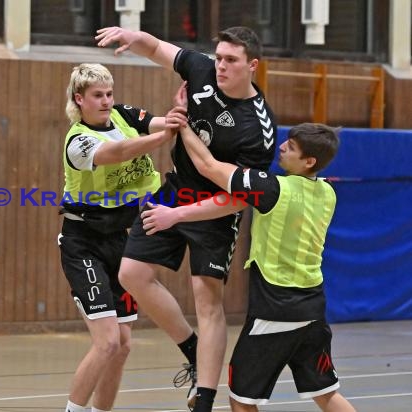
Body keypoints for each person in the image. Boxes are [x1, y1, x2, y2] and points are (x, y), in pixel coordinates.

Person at [96, 26, 277, 411]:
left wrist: (177, 215)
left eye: (231, 60)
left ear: (253, 66)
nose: (221, 66)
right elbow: (159, 48)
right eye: (219, 57)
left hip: (216, 206)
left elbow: (237, 199)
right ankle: (192, 349)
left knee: (206, 298)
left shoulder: (258, 129)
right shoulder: (201, 70)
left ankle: (206, 400)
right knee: (131, 273)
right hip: (177, 187)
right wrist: (133, 36)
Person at [143, 94, 355, 411]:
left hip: (275, 310)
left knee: (241, 401)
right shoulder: (327, 192)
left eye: (291, 148)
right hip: (312, 310)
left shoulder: (272, 189)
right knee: (326, 395)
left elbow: (208, 166)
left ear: (309, 161)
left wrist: (186, 126)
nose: (281, 147)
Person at [58, 63, 179, 412]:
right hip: (83, 243)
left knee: (123, 344)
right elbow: (118, 154)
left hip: (121, 240)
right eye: (97, 95)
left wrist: (181, 114)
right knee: (107, 342)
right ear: (79, 99)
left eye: (109, 93)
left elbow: (160, 122)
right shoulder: (77, 140)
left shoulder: (123, 115)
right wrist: (161, 138)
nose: (106, 101)